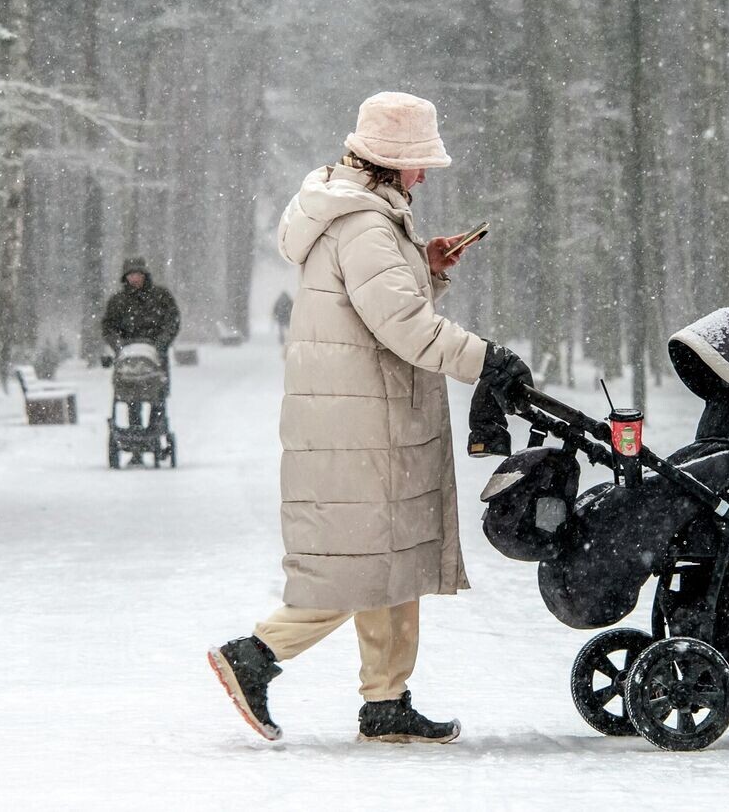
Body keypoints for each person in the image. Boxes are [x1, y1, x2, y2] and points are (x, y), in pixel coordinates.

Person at [208, 91, 533, 744]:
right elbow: (405, 327)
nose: (424, 176)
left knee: (394, 554)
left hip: (367, 415)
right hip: (360, 424)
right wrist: (486, 359)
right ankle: (254, 655)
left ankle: (386, 699)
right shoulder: (365, 225)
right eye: (418, 164)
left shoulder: (361, 213)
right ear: (390, 163)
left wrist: (428, 267)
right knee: (360, 562)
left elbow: (380, 308)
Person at [101, 257, 181, 448]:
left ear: (144, 275)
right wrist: (118, 345)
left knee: (157, 396)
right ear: (125, 278)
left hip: (155, 356)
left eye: (138, 275)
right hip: (128, 357)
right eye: (131, 275)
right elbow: (109, 327)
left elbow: (172, 321)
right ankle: (135, 434)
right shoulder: (118, 302)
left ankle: (154, 431)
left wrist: (161, 344)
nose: (135, 279)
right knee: (131, 395)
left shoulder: (161, 297)